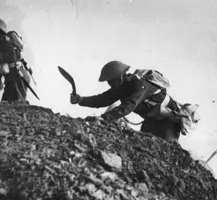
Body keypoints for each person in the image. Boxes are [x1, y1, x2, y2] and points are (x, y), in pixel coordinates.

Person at [70, 61, 199, 142]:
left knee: (167, 149)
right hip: (151, 120)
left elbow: (129, 105)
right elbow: (103, 99)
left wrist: (105, 118)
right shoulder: (120, 87)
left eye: (111, 80)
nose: (110, 84)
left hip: (168, 122)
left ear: (121, 76)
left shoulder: (140, 84)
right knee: (144, 143)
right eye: (108, 82)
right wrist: (81, 100)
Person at [0, 17, 32, 102]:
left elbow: (11, 59)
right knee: (8, 103)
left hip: (17, 77)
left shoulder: (4, 41)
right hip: (14, 77)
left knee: (15, 103)